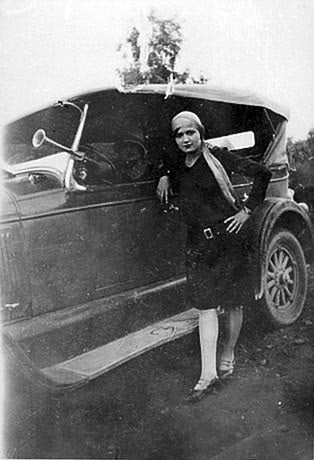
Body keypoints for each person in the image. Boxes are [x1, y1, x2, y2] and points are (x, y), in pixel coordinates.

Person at [156, 111, 272, 402]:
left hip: (229, 240)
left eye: (190, 133)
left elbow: (263, 173)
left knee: (232, 303)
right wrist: (164, 176)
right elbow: (165, 163)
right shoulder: (179, 164)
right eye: (179, 135)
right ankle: (207, 375)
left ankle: (228, 358)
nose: (185, 139)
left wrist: (247, 211)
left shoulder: (217, 156)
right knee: (205, 307)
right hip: (199, 245)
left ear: (200, 133)